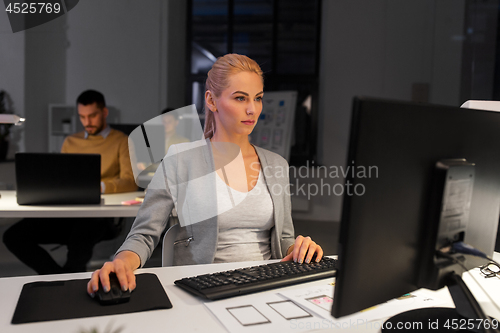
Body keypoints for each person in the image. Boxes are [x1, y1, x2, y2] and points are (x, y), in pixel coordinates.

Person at [87, 54, 323, 296]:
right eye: (240, 98)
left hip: (266, 286)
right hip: (204, 288)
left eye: (258, 98)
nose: (252, 109)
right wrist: (122, 262)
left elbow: (284, 240)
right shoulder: (180, 159)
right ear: (211, 100)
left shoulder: (277, 165)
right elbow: (145, 234)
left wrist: (299, 248)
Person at [3, 90, 137, 274]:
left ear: (104, 112)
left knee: (80, 238)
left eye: (92, 116)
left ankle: (65, 282)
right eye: (82, 116)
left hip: (98, 216)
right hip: (68, 212)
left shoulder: (122, 141)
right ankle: (58, 278)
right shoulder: (71, 141)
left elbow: (130, 181)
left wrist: (99, 187)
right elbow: (62, 179)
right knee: (13, 236)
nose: (87, 122)